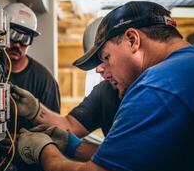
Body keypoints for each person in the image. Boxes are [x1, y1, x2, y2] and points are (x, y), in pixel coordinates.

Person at [16, 1, 194, 171]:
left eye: (106, 57)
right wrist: (71, 144)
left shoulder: (156, 85)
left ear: (132, 40)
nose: (102, 69)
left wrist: (44, 152)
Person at [11, 17, 121, 161]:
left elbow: (130, 159)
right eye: (97, 62)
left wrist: (71, 146)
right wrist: (35, 110)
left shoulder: (152, 95)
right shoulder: (105, 91)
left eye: (106, 57)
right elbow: (70, 125)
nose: (98, 69)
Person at [3, 3, 61, 171]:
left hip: (28, 169)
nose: (18, 44)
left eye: (25, 39)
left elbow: (54, 131)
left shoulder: (45, 80)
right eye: (13, 35)